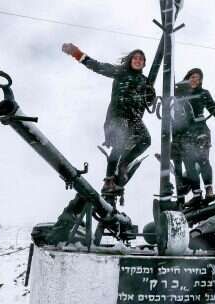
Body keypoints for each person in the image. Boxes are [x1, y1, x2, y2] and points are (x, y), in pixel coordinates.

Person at [61, 43, 154, 197]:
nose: (138, 61)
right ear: (130, 60)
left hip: (134, 119)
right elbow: (97, 66)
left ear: (144, 63)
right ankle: (109, 181)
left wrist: (151, 94)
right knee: (120, 141)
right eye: (135, 58)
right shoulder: (121, 72)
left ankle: (123, 164)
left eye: (141, 59)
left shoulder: (144, 81)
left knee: (146, 140)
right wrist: (76, 53)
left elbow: (149, 102)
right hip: (118, 116)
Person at [171, 67, 215, 205]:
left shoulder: (203, 93)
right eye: (193, 77)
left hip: (201, 131)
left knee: (203, 160)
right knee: (189, 163)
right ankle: (197, 194)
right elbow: (173, 114)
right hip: (185, 134)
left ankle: (209, 191)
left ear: (201, 81)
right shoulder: (179, 94)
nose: (195, 80)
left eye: (198, 78)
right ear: (187, 78)